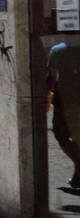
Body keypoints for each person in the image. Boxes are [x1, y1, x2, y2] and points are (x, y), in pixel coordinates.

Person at [46, 40, 80, 190]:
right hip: (65, 98)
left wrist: (43, 97)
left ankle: (78, 166)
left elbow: (51, 77)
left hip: (65, 98)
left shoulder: (57, 50)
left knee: (61, 133)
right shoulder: (57, 50)